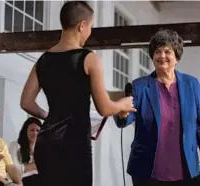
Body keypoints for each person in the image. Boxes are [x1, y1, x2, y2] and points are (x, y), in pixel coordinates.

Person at [20, 1, 136, 186]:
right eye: (90, 26)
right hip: (74, 142)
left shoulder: (43, 60)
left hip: (46, 142)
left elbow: (26, 102)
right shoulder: (89, 59)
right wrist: (123, 104)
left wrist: (49, 117)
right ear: (82, 25)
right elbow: (104, 108)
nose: (89, 32)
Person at [114, 29, 200, 185]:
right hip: (147, 170)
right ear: (153, 56)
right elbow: (125, 119)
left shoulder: (192, 84)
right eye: (157, 51)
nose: (162, 56)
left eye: (167, 51)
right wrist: (122, 112)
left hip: (184, 168)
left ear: (176, 57)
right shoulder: (140, 86)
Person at [9, 117, 41, 186]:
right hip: (23, 181)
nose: (35, 133)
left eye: (38, 130)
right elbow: (13, 170)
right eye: (32, 130)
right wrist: (35, 165)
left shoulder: (43, 148)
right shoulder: (15, 145)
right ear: (25, 132)